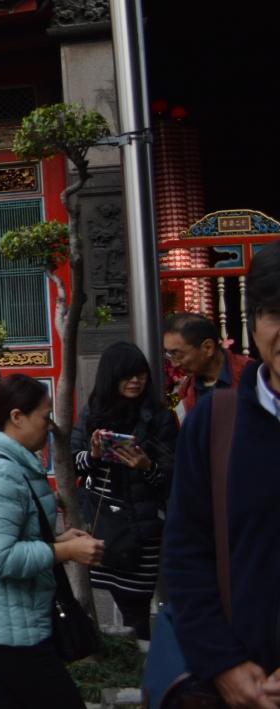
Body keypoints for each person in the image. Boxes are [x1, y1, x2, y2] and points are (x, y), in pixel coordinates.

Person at [164, 242, 280, 707]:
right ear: (254, 324)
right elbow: (186, 552)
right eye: (274, 315)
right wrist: (222, 664)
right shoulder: (216, 422)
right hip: (242, 682)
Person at [0, 374, 105, 709]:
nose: (48, 427)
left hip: (9, 618)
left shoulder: (12, 464)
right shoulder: (0, 474)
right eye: (44, 417)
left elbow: (11, 536)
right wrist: (64, 550)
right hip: (9, 627)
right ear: (17, 417)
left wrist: (59, 540)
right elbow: (0, 556)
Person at [70, 341, 176, 641]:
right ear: (110, 377)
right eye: (127, 375)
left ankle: (141, 659)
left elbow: (173, 475)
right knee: (104, 600)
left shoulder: (158, 417)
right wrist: (93, 456)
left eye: (141, 375)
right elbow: (72, 464)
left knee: (137, 606)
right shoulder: (92, 413)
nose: (135, 381)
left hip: (142, 528)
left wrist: (146, 466)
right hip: (102, 520)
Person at [163, 312, 253, 417]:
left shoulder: (252, 375)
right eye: (169, 355)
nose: (174, 364)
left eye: (178, 354)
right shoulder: (186, 392)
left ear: (208, 347)